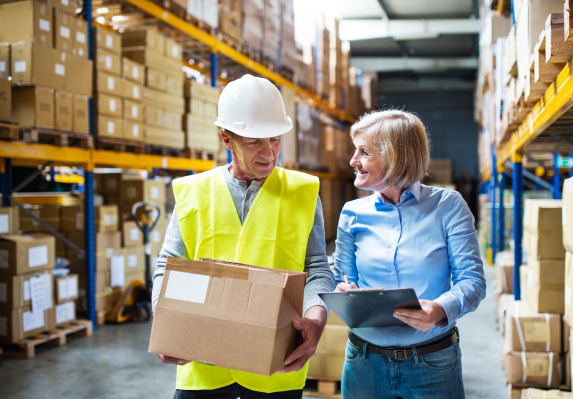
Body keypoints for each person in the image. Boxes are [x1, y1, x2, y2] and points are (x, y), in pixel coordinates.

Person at [152, 74, 335, 399]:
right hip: (203, 367)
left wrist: (316, 316)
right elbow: (169, 266)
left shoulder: (303, 192)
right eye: (254, 141)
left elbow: (317, 267)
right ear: (227, 138)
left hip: (274, 368)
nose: (268, 152)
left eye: (275, 139)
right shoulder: (193, 192)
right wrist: (165, 325)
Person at [333, 110, 486, 399]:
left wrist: (439, 310)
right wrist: (344, 292)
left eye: (363, 152)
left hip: (431, 362)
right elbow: (342, 279)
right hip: (364, 362)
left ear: (395, 157)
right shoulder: (352, 213)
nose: (353, 161)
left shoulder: (448, 206)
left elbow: (473, 282)